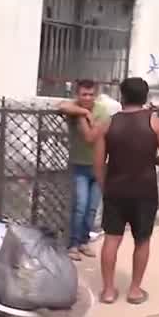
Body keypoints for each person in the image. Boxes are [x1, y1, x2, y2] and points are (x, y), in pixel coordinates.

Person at [93, 77, 159, 305]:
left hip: (116, 190)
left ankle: (108, 291)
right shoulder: (154, 122)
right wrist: (151, 159)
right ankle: (135, 291)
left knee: (111, 239)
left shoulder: (107, 124)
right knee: (142, 240)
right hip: (144, 191)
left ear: (122, 96)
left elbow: (99, 163)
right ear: (145, 97)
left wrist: (104, 187)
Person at [57, 79, 111, 261]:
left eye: (91, 94)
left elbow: (91, 136)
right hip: (79, 165)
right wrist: (83, 112)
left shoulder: (103, 110)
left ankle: (83, 241)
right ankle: (73, 244)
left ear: (96, 95)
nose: (87, 97)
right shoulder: (76, 108)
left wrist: (82, 115)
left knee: (91, 208)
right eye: (83, 94)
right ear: (77, 95)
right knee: (80, 206)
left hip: (98, 165)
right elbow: (62, 106)